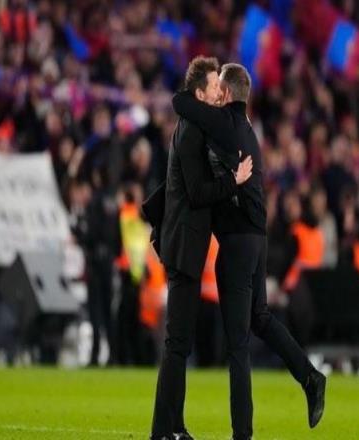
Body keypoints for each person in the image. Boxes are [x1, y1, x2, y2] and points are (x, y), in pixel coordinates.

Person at [172, 62, 326, 440]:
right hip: (257, 240)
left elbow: (180, 102)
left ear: (226, 93)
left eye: (218, 89)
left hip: (238, 243)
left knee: (238, 345)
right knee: (260, 319)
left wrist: (201, 95)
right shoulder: (248, 130)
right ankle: (309, 376)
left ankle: (243, 434)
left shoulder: (225, 122)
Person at [146, 56, 253, 440]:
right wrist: (233, 182)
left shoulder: (192, 125)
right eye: (213, 87)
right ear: (199, 93)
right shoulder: (191, 131)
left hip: (185, 244)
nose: (218, 93)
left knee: (180, 343)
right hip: (184, 247)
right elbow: (196, 192)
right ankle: (161, 431)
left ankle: (175, 427)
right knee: (177, 344)